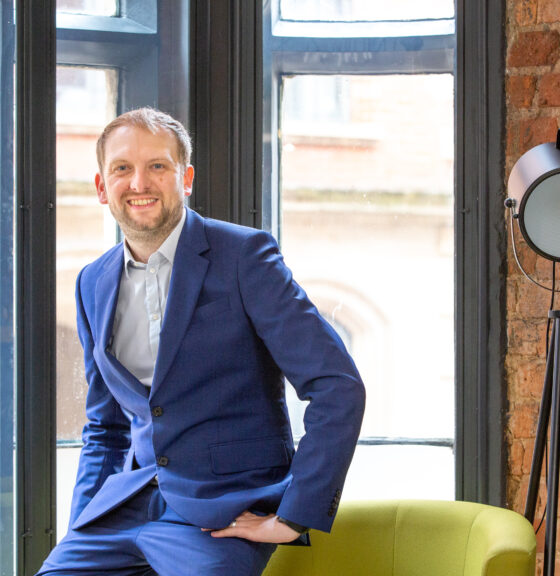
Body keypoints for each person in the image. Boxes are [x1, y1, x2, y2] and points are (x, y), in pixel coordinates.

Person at [37, 107, 365, 576]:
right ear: (101, 186)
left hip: (222, 512)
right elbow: (105, 430)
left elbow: (338, 385)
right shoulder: (92, 282)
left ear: (185, 177)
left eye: (157, 166)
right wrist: (82, 525)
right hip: (124, 508)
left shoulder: (244, 256)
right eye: (122, 169)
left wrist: (294, 515)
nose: (139, 183)